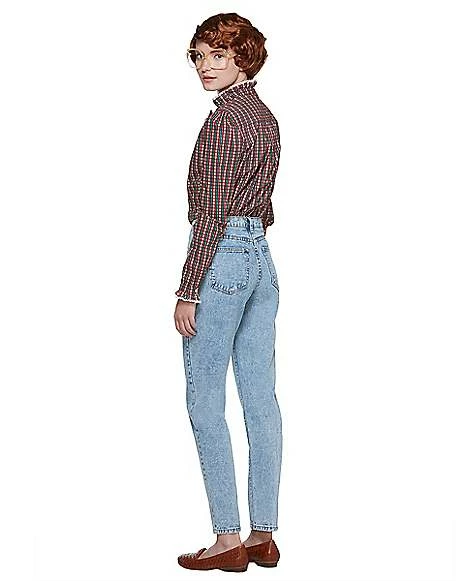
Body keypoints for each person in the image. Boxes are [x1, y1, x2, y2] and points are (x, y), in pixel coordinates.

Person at [173, 12, 282, 573]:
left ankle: (227, 539)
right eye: (198, 56)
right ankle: (264, 534)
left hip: (222, 259)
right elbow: (264, 204)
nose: (204, 67)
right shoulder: (265, 117)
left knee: (205, 401)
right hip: (261, 258)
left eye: (217, 55)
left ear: (244, 57)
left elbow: (213, 215)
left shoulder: (223, 122)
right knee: (260, 400)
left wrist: (189, 288)